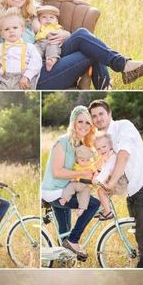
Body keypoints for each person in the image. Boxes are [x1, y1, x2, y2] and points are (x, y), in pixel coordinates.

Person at [0, 0, 143, 92]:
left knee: (80, 34)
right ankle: (113, 80)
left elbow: (47, 32)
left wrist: (66, 33)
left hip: (47, 58)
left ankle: (122, 66)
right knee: (91, 53)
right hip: (31, 79)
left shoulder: (30, 16)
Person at [89, 100, 143, 267]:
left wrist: (111, 182)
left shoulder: (123, 127)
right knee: (139, 238)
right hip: (132, 192)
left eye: (101, 114)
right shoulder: (104, 141)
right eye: (94, 116)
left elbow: (124, 155)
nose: (98, 118)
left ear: (109, 113)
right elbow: (111, 166)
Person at [41, 105, 101, 259]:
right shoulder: (62, 142)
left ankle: (63, 261)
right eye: (80, 121)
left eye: (88, 123)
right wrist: (82, 173)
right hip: (54, 191)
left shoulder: (80, 145)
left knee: (64, 231)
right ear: (73, 122)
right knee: (94, 204)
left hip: (66, 189)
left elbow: (84, 168)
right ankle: (74, 240)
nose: (84, 126)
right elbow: (57, 171)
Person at [0, 7, 42, 90]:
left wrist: (27, 76)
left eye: (15, 28)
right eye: (7, 29)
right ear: (2, 34)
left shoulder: (29, 47)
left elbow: (36, 62)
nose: (11, 31)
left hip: (23, 79)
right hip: (5, 80)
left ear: (22, 30)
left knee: (19, 97)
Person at [58, 143, 102, 213]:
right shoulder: (75, 166)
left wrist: (95, 177)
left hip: (85, 186)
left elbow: (96, 172)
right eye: (82, 160)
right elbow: (71, 173)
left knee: (85, 196)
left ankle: (82, 208)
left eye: (87, 160)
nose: (85, 162)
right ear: (77, 160)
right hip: (76, 183)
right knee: (69, 188)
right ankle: (64, 199)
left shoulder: (91, 166)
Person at [93, 133, 128, 220]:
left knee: (101, 191)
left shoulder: (112, 158)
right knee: (104, 193)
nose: (101, 150)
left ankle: (108, 212)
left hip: (119, 182)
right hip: (115, 181)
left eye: (104, 147)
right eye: (98, 149)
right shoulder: (107, 157)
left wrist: (97, 179)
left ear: (110, 145)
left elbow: (106, 171)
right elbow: (102, 169)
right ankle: (103, 207)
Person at [34, 4, 66, 71]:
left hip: (51, 42)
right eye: (44, 17)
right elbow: (35, 24)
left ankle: (51, 60)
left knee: (53, 48)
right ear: (39, 19)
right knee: (35, 51)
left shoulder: (56, 27)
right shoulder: (40, 26)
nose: (48, 19)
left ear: (56, 21)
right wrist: (35, 16)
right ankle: (34, 61)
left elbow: (62, 33)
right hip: (39, 43)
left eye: (51, 17)